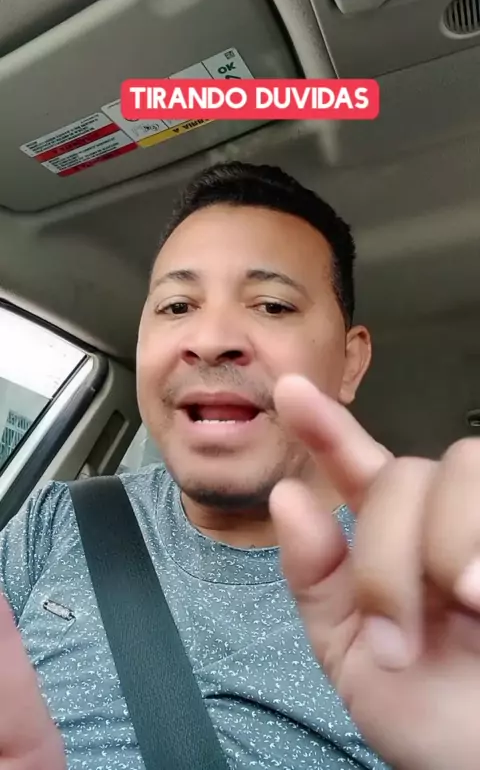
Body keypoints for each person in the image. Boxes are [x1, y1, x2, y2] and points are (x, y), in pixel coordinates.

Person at [0, 161, 479, 770]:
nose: (210, 338)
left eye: (272, 306)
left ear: (351, 362)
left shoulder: (434, 591)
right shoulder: (58, 519)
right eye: (177, 305)